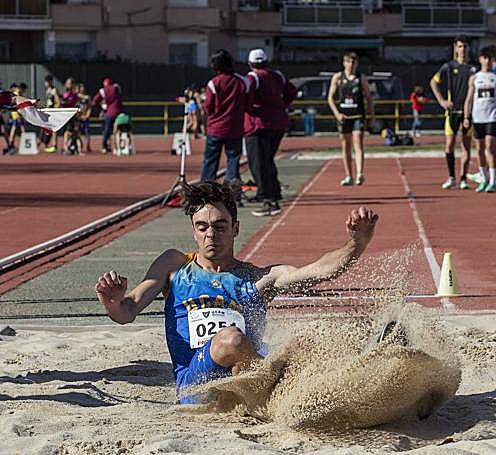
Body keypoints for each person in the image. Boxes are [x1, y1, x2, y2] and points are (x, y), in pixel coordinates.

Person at [95, 181, 379, 404]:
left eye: (220, 227)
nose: (211, 235)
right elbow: (127, 311)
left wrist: (356, 244)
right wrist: (112, 301)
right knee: (230, 339)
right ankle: (275, 394)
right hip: (199, 383)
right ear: (194, 232)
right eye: (202, 227)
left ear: (235, 229)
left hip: (249, 370)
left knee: (305, 344)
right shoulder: (175, 266)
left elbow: (317, 272)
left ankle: (372, 365)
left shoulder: (257, 278)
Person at [244, 48, 298, 217]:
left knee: (258, 163)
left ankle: (268, 198)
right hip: (278, 122)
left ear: (250, 63)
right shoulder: (278, 75)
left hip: (259, 124)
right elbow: (292, 92)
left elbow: (246, 99)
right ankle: (271, 192)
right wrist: (281, 105)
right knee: (268, 160)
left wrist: (251, 109)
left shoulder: (253, 78)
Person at [430, 35, 477, 190]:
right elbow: (433, 82)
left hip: (467, 113)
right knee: (449, 145)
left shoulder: (473, 68)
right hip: (451, 113)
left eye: (465, 46)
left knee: (466, 146)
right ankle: (451, 177)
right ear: (455, 48)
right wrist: (442, 101)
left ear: (469, 48)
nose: (462, 49)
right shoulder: (448, 67)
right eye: (460, 46)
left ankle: (463, 178)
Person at [463, 47, 496, 194]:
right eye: (485, 58)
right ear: (480, 59)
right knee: (479, 149)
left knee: (490, 147)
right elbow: (469, 99)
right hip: (478, 118)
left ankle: (493, 181)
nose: (488, 61)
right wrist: (466, 117)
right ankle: (484, 178)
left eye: (491, 59)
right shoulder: (475, 78)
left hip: (492, 117)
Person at [201, 49, 250, 184]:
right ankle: (232, 185)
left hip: (216, 128)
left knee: (210, 160)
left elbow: (208, 107)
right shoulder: (242, 81)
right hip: (234, 127)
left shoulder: (214, 83)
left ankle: (207, 189)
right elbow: (248, 102)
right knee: (233, 159)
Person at [327, 51, 374, 186]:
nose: (351, 65)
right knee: (345, 146)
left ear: (357, 64)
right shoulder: (337, 77)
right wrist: (337, 114)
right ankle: (349, 175)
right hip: (343, 116)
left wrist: (371, 115)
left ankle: (360, 173)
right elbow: (330, 98)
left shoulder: (361, 78)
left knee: (358, 142)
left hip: (358, 115)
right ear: (344, 63)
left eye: (354, 62)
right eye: (349, 62)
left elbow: (369, 98)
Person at [92, 77, 123, 154]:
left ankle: (104, 146)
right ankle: (120, 146)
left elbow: (94, 101)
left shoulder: (103, 91)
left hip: (108, 113)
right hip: (118, 112)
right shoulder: (116, 88)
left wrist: (102, 108)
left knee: (107, 129)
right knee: (119, 130)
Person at [41, 75, 61, 153]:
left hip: (53, 112)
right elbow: (48, 102)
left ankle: (54, 145)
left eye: (46, 82)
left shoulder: (54, 90)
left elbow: (57, 101)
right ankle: (46, 144)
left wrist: (56, 110)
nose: (45, 83)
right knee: (46, 128)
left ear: (49, 82)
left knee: (54, 129)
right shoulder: (48, 90)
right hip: (48, 111)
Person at [62, 77, 80, 155]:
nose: (69, 85)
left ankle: (68, 145)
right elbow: (64, 101)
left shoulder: (74, 94)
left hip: (73, 114)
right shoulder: (66, 93)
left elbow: (76, 101)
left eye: (71, 83)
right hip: (66, 114)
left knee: (74, 132)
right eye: (68, 83)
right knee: (68, 131)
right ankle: (65, 147)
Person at [77, 83, 92, 153]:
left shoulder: (87, 97)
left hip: (85, 116)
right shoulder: (77, 96)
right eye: (81, 87)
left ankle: (88, 145)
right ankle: (80, 144)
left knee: (87, 131)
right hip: (79, 117)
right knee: (78, 132)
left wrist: (87, 115)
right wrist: (79, 116)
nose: (82, 89)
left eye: (83, 87)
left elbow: (89, 107)